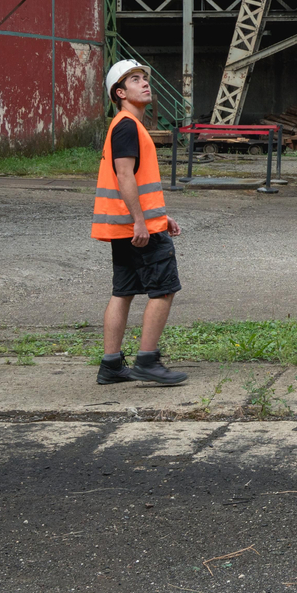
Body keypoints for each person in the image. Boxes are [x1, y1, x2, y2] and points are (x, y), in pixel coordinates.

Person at [91, 59, 188, 387]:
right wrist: (141, 222)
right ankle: (147, 360)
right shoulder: (127, 126)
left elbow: (135, 180)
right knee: (164, 290)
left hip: (127, 227)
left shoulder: (125, 125)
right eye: (134, 79)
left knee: (123, 292)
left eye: (144, 78)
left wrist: (158, 216)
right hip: (138, 229)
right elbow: (124, 175)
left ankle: (111, 365)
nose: (144, 83)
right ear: (120, 93)